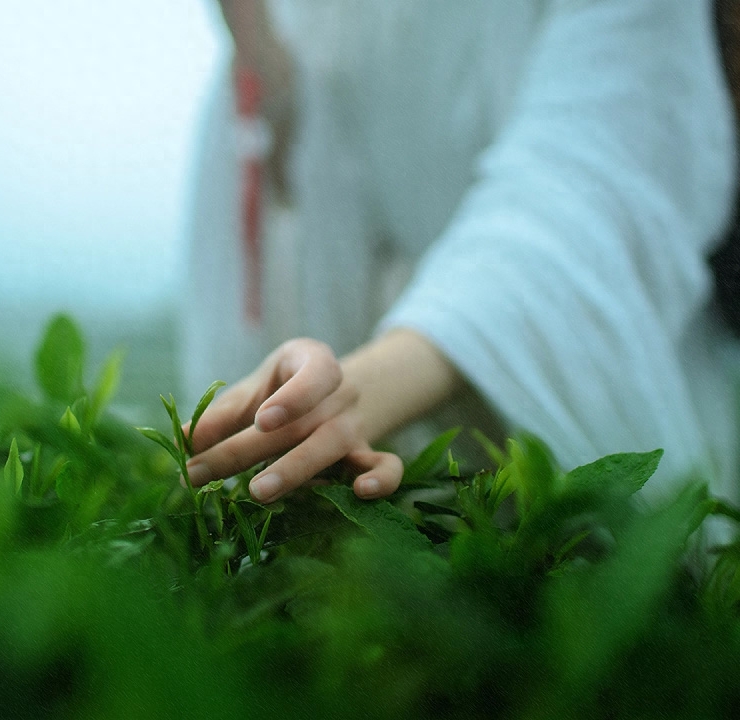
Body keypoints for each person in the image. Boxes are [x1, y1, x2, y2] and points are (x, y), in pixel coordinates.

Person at [182, 0, 740, 506]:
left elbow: (591, 187)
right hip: (390, 509)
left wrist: (354, 390)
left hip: (559, 474)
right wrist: (263, 57)